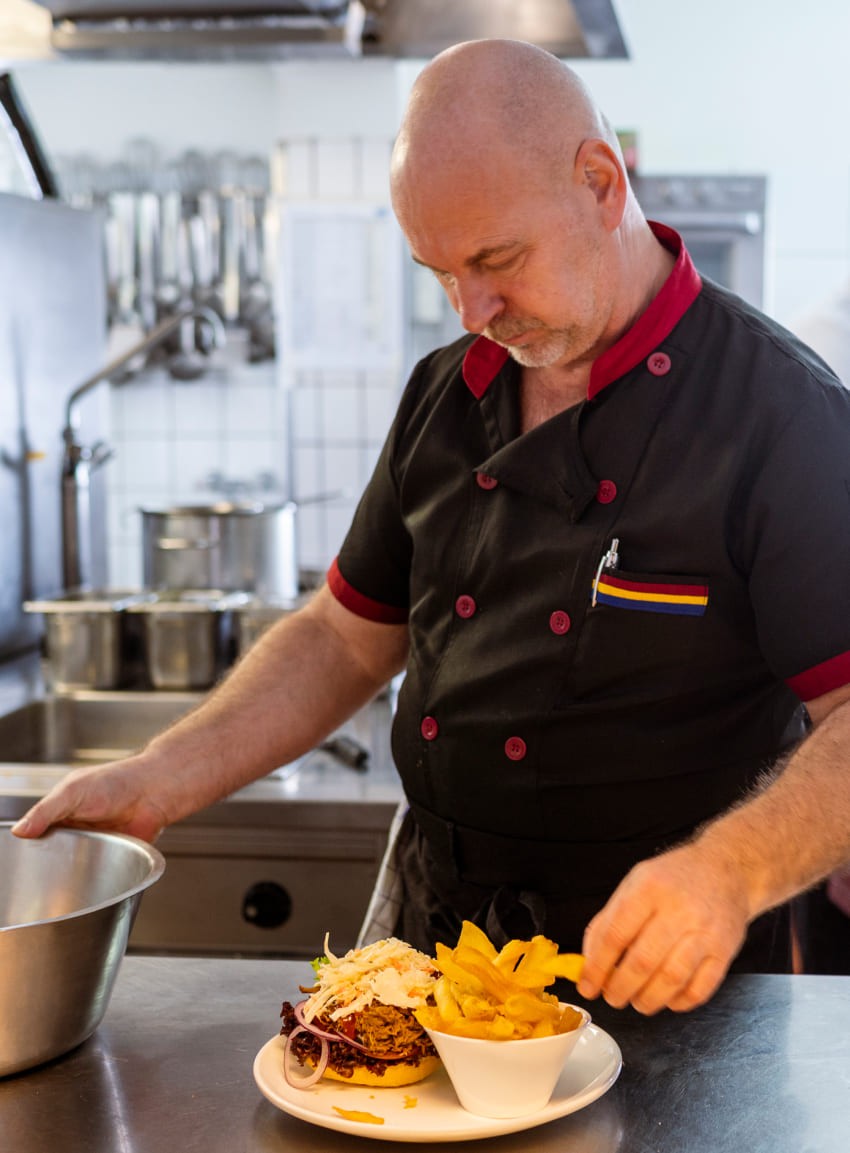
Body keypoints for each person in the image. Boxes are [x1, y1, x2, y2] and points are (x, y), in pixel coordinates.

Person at [14, 39, 850, 1017]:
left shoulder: (780, 413)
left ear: (598, 181)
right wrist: (160, 777)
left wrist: (725, 874)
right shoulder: (445, 392)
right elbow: (341, 637)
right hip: (432, 938)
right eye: (439, 271)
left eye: (497, 259)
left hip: (665, 971)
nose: (472, 308)